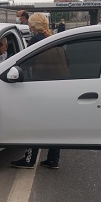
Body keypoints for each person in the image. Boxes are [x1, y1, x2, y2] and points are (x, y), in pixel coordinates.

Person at [10, 13, 60, 169]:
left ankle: (29, 159)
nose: (29, 27)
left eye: (30, 24)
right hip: (56, 88)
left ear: (33, 26)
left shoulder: (34, 41)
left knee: (33, 125)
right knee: (54, 125)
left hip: (38, 87)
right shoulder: (52, 40)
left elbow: (26, 64)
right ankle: (53, 159)